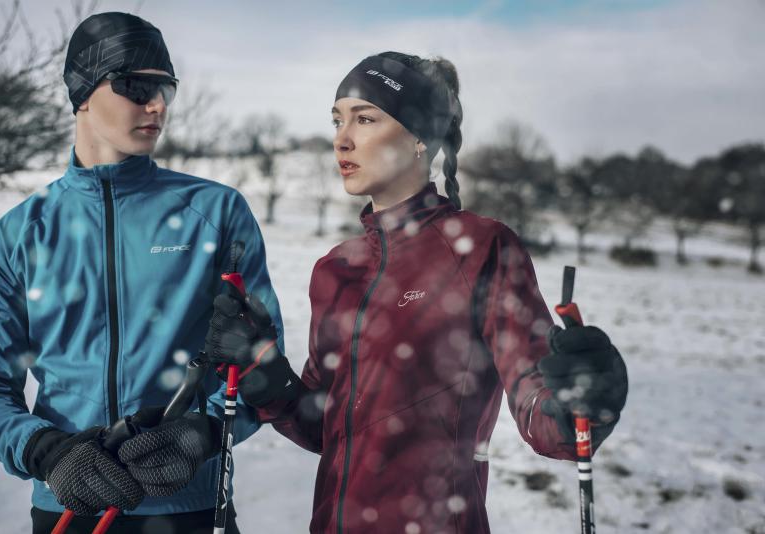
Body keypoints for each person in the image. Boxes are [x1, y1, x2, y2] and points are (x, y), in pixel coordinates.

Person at [203, 52, 628, 533]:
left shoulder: (481, 248)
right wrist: (263, 371)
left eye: (365, 119)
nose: (342, 138)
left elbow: (544, 417)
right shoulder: (335, 270)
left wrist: (581, 399)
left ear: (420, 139)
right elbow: (324, 428)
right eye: (338, 120)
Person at [0, 12, 284, 534]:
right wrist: (47, 452)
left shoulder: (216, 213)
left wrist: (200, 434)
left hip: (187, 508)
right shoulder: (19, 233)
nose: (157, 105)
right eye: (136, 87)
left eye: (166, 90)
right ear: (82, 94)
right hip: (69, 507)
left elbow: (260, 363)